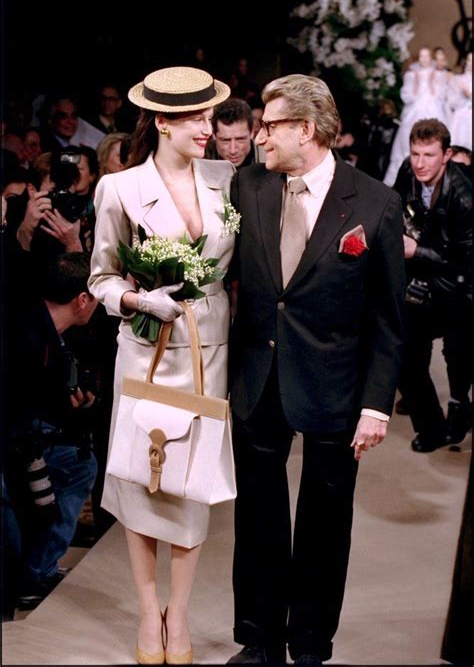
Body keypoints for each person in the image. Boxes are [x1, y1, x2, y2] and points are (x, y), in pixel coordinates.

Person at [226, 74, 405, 666]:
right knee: (258, 516)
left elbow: (386, 317)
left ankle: (308, 644)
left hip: (336, 384)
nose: (258, 138)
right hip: (259, 377)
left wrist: (377, 404)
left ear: (306, 129)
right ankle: (259, 639)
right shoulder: (247, 187)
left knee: (326, 523)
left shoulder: (375, 202)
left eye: (269, 126)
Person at [88, 66, 235, 665]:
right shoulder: (118, 190)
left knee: (191, 486)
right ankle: (150, 613)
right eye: (197, 119)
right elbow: (99, 277)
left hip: (211, 352)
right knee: (143, 479)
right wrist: (137, 299)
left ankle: (181, 613)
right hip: (145, 352)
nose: (210, 129)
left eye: (210, 116)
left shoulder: (227, 179)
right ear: (163, 122)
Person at [4, 252, 98, 610]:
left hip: (30, 431)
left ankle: (36, 568)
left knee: (77, 457)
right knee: (81, 466)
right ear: (82, 299)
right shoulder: (29, 337)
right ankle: (36, 572)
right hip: (19, 439)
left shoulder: (37, 323)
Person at [393, 118, 472, 452]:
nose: (420, 163)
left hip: (459, 288)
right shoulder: (407, 173)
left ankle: (459, 408)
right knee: (405, 357)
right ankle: (432, 427)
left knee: (458, 354)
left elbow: (467, 261)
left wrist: (416, 250)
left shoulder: (465, 196)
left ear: (447, 154)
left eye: (429, 155)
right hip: (420, 282)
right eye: (415, 154)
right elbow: (392, 208)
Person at [384, 47, 448, 187]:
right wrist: (416, 86)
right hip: (415, 109)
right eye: (421, 56)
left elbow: (442, 95)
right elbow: (406, 96)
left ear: (431, 58)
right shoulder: (412, 74)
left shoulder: (438, 74)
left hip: (433, 108)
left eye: (427, 56)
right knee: (407, 139)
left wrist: (432, 84)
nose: (424, 59)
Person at [205, 98, 266, 168]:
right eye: (225, 140)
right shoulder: (200, 160)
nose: (233, 151)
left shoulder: (269, 159)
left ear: (252, 132)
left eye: (240, 139)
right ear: (213, 135)